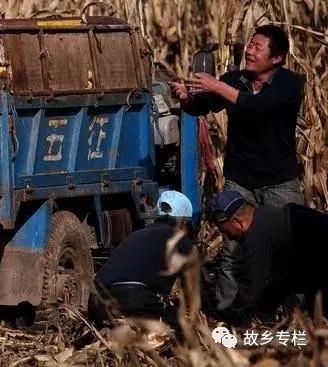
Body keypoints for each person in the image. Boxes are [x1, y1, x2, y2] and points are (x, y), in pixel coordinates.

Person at [169, 24, 304, 311]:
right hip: (240, 180)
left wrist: (217, 85)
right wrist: (188, 99)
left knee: (290, 246)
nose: (250, 51)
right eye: (250, 45)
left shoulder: (289, 84)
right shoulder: (236, 79)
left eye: (257, 47)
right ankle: (228, 312)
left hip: (279, 181)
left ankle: (295, 313)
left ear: (277, 58)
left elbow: (258, 108)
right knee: (232, 250)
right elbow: (204, 106)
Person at [211, 190, 328, 323]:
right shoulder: (268, 216)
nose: (228, 237)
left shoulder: (256, 238)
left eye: (226, 231)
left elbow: (253, 288)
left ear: (237, 221)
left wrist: (232, 313)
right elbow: (281, 280)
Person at [89, 190, 195, 335]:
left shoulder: (136, 235)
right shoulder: (178, 237)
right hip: (132, 298)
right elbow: (195, 284)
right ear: (183, 221)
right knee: (181, 329)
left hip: (97, 302)